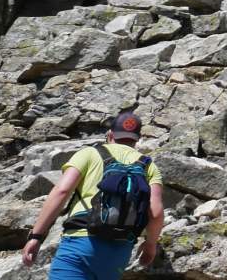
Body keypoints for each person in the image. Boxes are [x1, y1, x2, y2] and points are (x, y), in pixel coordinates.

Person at [20, 110, 165, 278]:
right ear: (137, 138)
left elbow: (62, 191)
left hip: (81, 241)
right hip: (119, 251)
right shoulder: (148, 166)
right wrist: (150, 245)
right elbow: (156, 212)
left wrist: (36, 236)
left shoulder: (90, 153)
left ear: (110, 134)